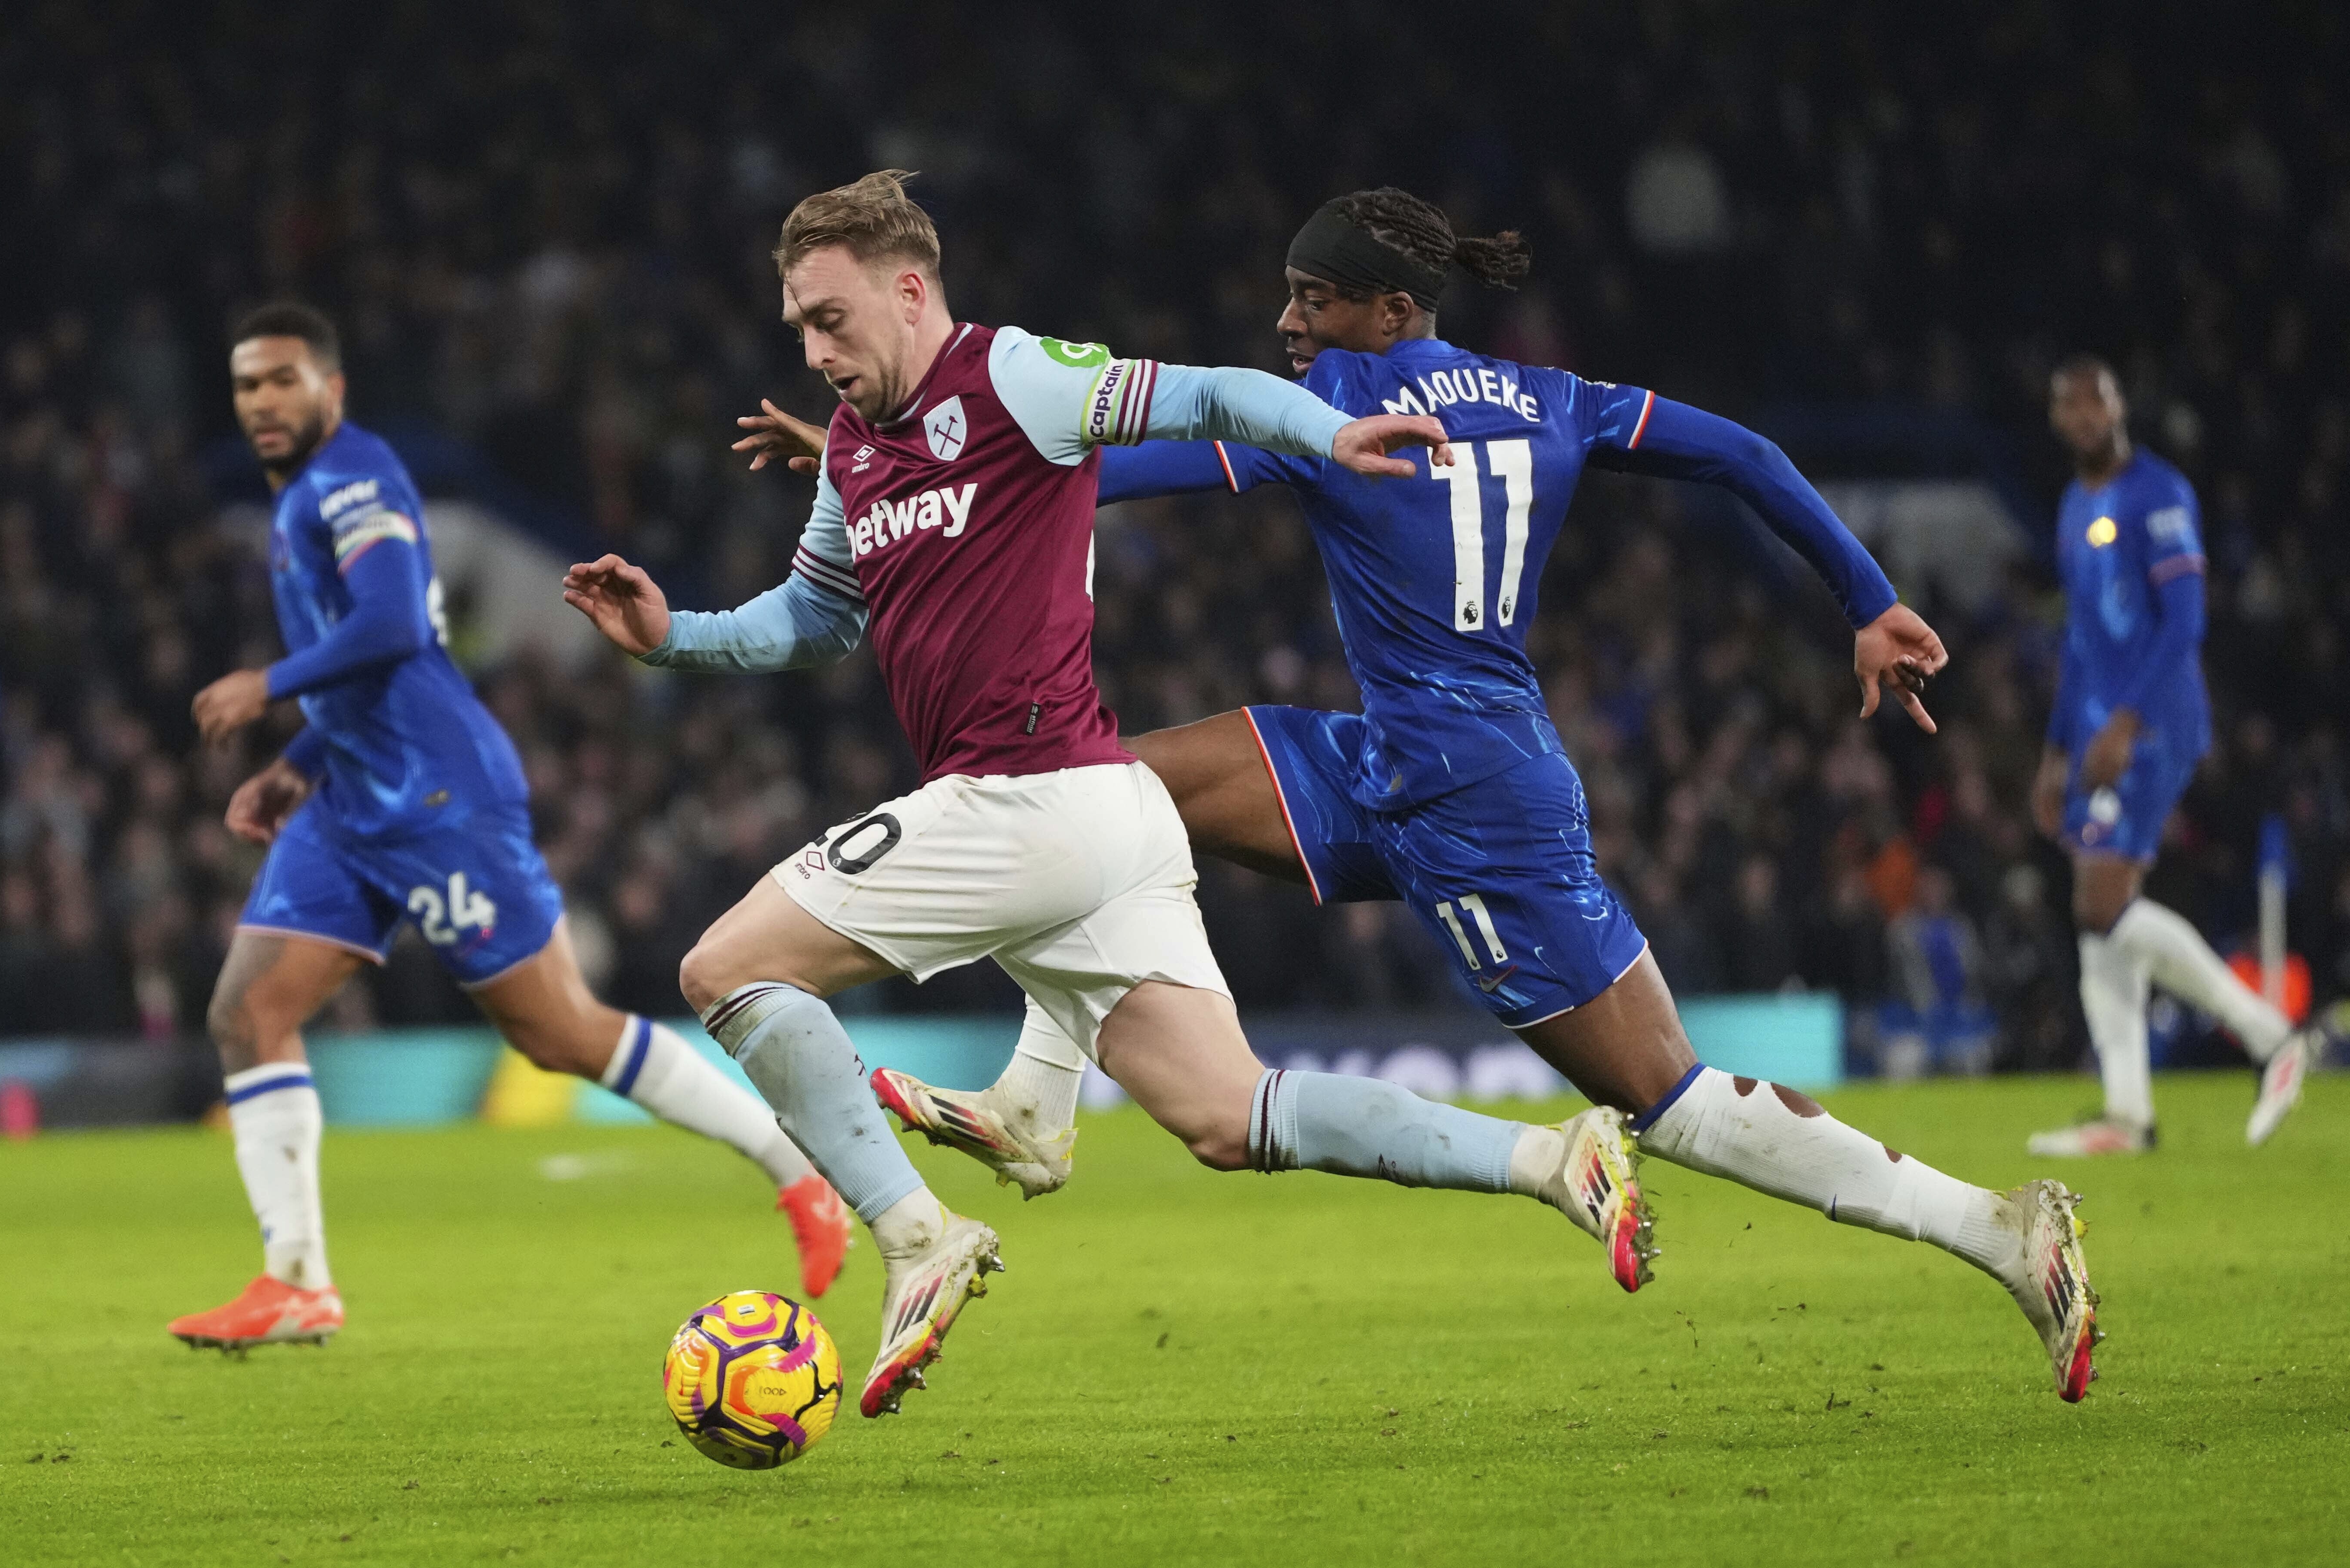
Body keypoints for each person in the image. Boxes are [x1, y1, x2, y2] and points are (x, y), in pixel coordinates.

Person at [847, 188, 2104, 1400]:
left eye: (1313, 301)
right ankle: (1037, 1098)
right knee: (1094, 791)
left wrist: (916, 479)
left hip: (1474, 801)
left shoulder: (1334, 402)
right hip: (1398, 754)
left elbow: (1118, 473)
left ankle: (1998, 1230)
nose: (1288, 326)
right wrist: (1867, 597)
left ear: (1389, 310)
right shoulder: (1557, 399)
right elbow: (1747, 455)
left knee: (1669, 1099)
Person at [565, 171, 1657, 1422]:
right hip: (1107, 818)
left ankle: (918, 1234)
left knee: (725, 967)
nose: (814, 352)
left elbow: (1205, 395)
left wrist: (1331, 434)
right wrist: (672, 635)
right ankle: (1547, 1155)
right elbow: (813, 619)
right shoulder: (858, 453)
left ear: (909, 288)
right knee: (1229, 1111)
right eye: (799, 329)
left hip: (1027, 797)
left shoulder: (1017, 375)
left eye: (830, 317)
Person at [168, 305, 851, 1354]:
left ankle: (797, 1169)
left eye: (282, 381)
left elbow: (396, 623)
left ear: (331, 390)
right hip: (351, 798)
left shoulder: (354, 480)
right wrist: (296, 762)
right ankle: (296, 1281)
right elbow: (400, 651)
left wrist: (269, 686)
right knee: (247, 1008)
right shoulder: (303, 496)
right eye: (246, 385)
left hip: (443, 800)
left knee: (558, 1032)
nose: (262, 401)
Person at [2027, 356, 2334, 1154]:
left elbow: (2185, 620)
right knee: (2095, 919)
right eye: (2070, 405)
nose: (2085, 416)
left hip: (2155, 722)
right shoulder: (2071, 506)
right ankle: (2127, 1114)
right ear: (2058, 420)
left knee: (2101, 903)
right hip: (2099, 731)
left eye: (2097, 400)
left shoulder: (2159, 494)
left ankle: (2271, 1037)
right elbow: (2082, 641)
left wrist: (2125, 723)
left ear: (2121, 406)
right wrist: (2058, 747)